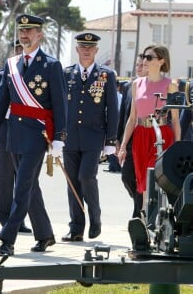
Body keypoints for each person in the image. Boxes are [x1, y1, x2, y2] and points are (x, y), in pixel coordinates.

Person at [0, 14, 67, 256]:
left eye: (30, 30)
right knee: (30, 187)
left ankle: (7, 239)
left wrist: (60, 137)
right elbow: (1, 101)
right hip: (13, 134)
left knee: (21, 187)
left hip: (37, 135)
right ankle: (44, 235)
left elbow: (60, 104)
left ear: (39, 34)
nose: (25, 34)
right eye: (22, 30)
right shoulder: (11, 64)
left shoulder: (51, 65)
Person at [61, 33, 118, 242]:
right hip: (69, 138)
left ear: (95, 51)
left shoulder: (106, 75)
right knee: (72, 182)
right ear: (76, 50)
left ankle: (95, 218)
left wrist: (111, 140)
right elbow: (58, 107)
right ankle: (76, 228)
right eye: (82, 47)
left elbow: (112, 109)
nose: (86, 50)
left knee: (86, 177)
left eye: (90, 47)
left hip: (94, 137)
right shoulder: (66, 74)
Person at [118, 44, 181, 210]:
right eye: (144, 57)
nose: (144, 60)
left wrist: (178, 146)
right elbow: (132, 119)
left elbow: (175, 120)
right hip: (140, 136)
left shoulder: (170, 85)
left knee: (152, 177)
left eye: (149, 57)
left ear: (161, 61)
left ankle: (153, 219)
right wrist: (123, 145)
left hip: (161, 135)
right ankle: (146, 220)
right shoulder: (136, 84)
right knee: (141, 181)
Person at [0, 40, 31, 233]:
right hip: (6, 130)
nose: (22, 53)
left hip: (28, 130)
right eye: (19, 50)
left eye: (24, 50)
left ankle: (19, 219)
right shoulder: (2, 75)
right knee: (5, 177)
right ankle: (4, 217)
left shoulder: (36, 74)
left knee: (24, 178)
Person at [116, 54, 147, 218]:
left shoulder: (151, 87)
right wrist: (118, 139)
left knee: (142, 179)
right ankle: (141, 204)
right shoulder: (129, 87)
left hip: (146, 139)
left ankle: (138, 214)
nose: (140, 68)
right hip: (129, 140)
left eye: (143, 65)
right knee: (127, 177)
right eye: (137, 65)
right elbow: (124, 115)